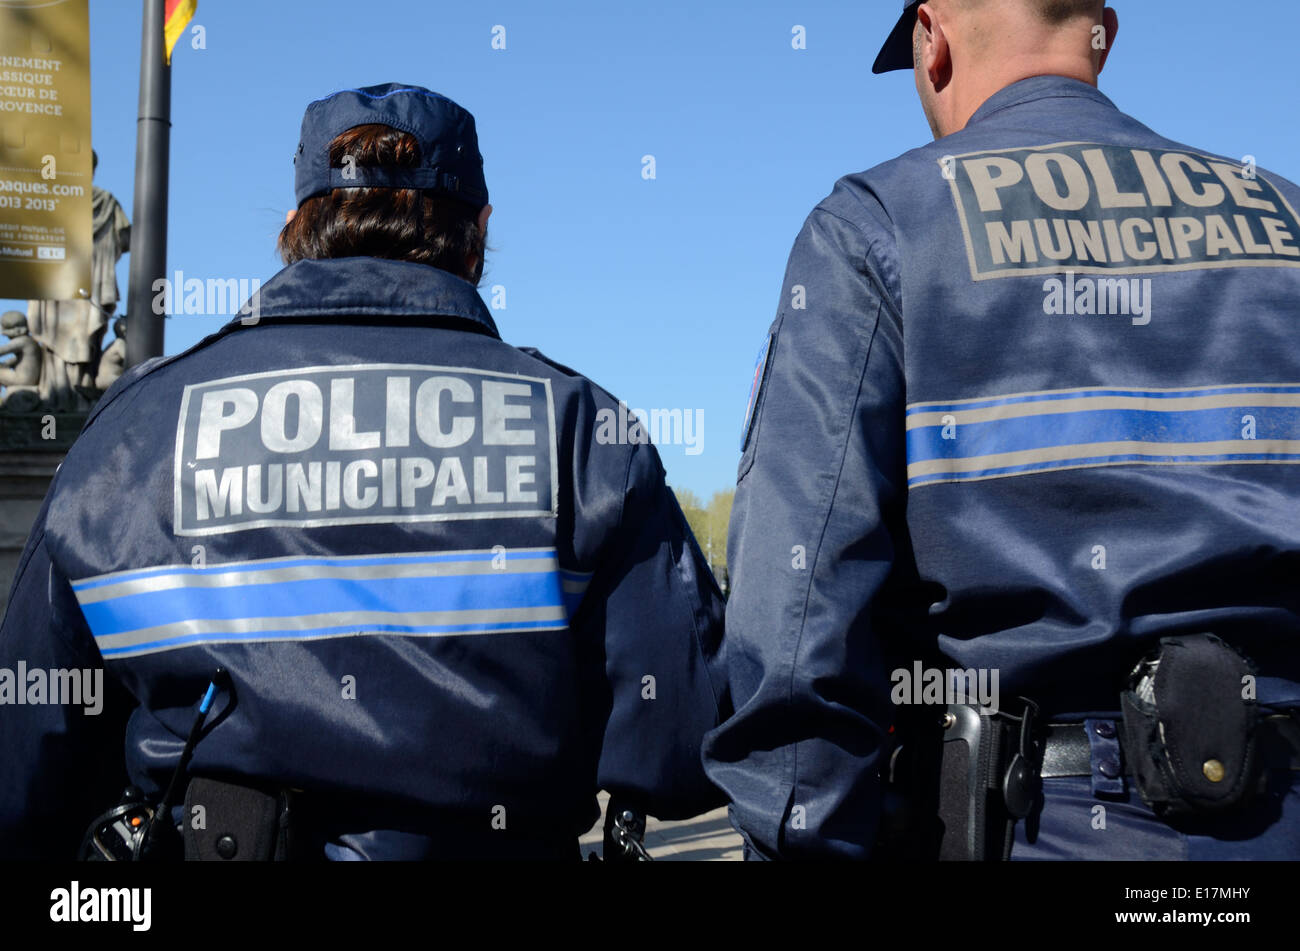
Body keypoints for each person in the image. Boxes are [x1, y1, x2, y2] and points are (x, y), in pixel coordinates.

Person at [0, 83, 728, 860]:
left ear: (294, 227)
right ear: (479, 231)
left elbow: (27, 767)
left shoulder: (135, 427)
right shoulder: (581, 429)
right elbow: (688, 742)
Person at [703, 0, 1300, 860]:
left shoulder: (877, 228)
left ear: (933, 39)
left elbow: (796, 622)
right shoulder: (1280, 215)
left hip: (1030, 822)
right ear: (1103, 33)